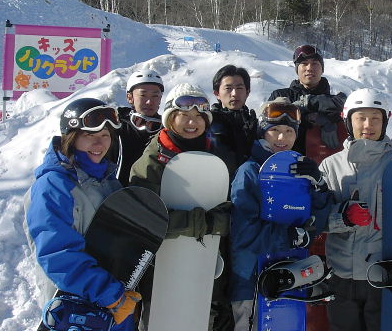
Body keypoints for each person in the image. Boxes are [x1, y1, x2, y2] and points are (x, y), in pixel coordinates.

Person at [23, 98, 139, 330]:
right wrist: (110, 294)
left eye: (105, 135)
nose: (99, 143)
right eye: (89, 135)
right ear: (71, 137)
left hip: (113, 302)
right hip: (77, 306)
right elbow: (57, 254)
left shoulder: (106, 180)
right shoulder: (54, 186)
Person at [129, 83, 237, 331]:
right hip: (161, 271)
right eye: (184, 115)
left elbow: (233, 204)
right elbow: (143, 217)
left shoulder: (218, 156)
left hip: (207, 266)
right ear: (170, 118)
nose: (192, 122)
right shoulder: (152, 161)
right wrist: (204, 223)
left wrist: (228, 218)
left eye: (199, 116)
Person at [229, 97, 330, 330]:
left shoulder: (300, 172)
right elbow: (244, 233)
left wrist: (319, 186)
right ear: (262, 133)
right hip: (253, 283)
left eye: (289, 131)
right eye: (274, 130)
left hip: (292, 278)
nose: (282, 138)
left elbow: (317, 224)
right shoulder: (250, 172)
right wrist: (289, 236)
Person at [319, 88, 392, 331]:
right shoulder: (330, 166)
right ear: (348, 121)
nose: (368, 125)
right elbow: (316, 218)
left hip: (382, 273)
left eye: (375, 118)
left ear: (385, 121)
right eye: (361, 118)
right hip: (340, 275)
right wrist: (342, 217)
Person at [268, 45, 346, 155]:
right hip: (286, 161)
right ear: (297, 69)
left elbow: (350, 111)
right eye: (304, 63)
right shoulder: (280, 95)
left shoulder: (337, 100)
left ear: (322, 69)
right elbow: (268, 128)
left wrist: (330, 118)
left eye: (315, 63)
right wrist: (306, 119)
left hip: (326, 163)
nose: (309, 68)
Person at [117, 70, 164, 186]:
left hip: (154, 194)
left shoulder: (167, 130)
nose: (149, 102)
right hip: (116, 193)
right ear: (130, 97)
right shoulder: (116, 126)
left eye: (155, 96)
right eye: (143, 95)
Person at [209, 65, 258, 166]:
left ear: (247, 92)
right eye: (228, 88)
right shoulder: (207, 123)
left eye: (239, 88)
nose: (234, 93)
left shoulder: (254, 125)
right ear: (217, 93)